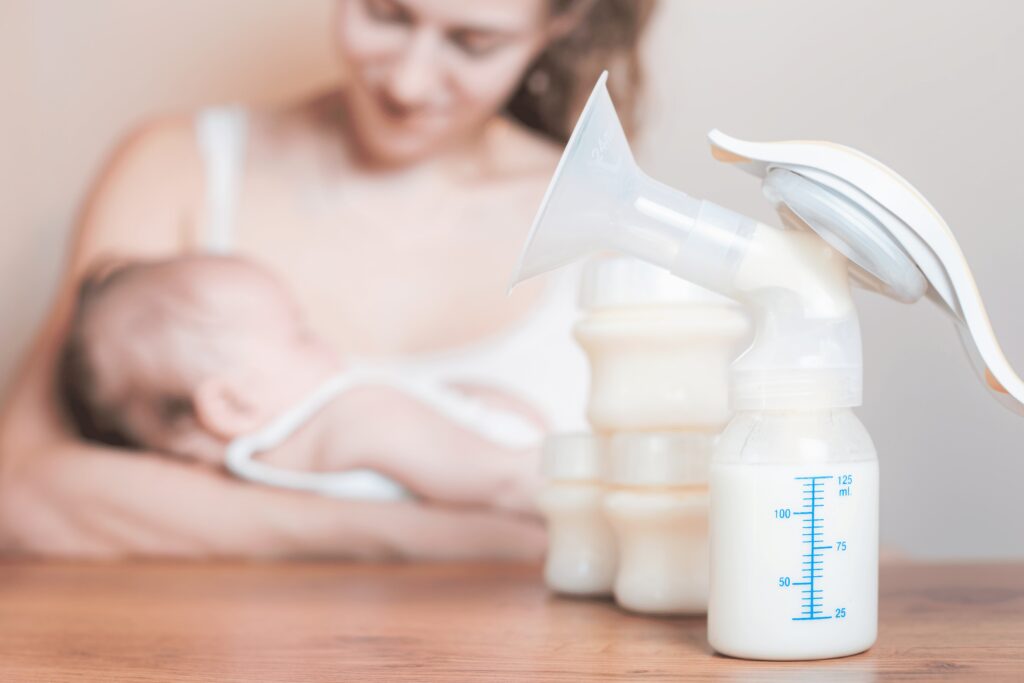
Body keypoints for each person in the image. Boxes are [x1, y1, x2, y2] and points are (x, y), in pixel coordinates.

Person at [0, 0, 655, 558]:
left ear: (563, 20)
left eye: (473, 42)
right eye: (384, 13)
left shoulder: (608, 215)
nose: (408, 83)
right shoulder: (177, 168)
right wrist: (439, 539)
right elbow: (24, 494)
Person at [58, 254, 541, 513]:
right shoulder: (350, 419)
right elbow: (505, 481)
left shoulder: (256, 471)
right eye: (301, 334)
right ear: (232, 404)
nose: (327, 345)